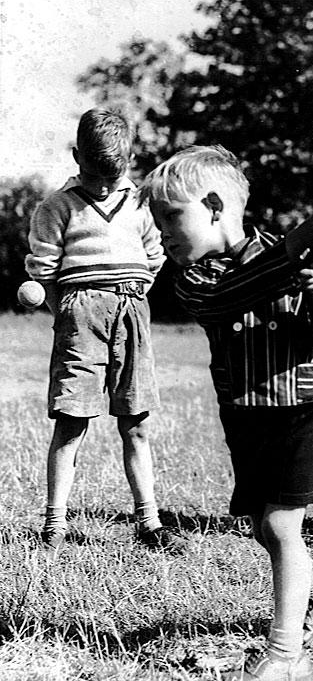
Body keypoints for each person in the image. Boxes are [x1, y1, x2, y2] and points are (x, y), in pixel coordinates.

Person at [137, 145, 313, 681]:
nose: (162, 233)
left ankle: (286, 655)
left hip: (302, 411)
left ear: (211, 205)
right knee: (262, 527)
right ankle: (311, 586)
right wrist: (300, 253)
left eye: (169, 219)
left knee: (281, 525)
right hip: (245, 417)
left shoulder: (287, 255)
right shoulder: (194, 280)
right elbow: (232, 294)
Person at [25, 107, 186, 554]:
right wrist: (65, 313)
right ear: (77, 156)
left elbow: (154, 255)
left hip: (132, 309)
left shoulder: (140, 203)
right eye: (94, 174)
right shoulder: (57, 206)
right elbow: (43, 268)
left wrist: (133, 294)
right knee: (72, 422)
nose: (102, 185)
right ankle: (53, 526)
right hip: (80, 314)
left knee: (135, 423)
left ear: (130, 161)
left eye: (111, 177)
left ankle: (149, 522)